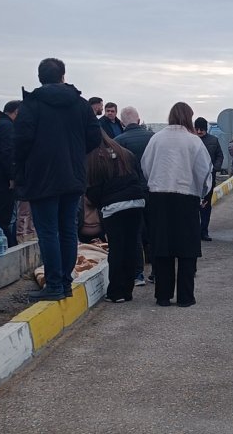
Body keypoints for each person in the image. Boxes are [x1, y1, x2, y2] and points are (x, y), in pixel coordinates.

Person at [15, 58, 102, 301]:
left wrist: (24, 167)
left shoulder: (32, 104)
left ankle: (53, 284)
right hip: (73, 176)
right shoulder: (81, 104)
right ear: (63, 76)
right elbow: (95, 137)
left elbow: (20, 142)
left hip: (42, 178)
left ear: (40, 77)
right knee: (67, 230)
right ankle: (64, 281)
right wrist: (74, 153)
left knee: (48, 232)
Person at [141, 102, 211, 307]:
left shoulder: (156, 138)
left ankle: (163, 295)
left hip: (159, 197)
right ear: (189, 117)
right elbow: (204, 170)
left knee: (162, 247)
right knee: (187, 249)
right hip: (186, 197)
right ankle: (185, 297)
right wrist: (201, 192)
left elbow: (146, 166)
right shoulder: (194, 142)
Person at [86, 132, 146, 302]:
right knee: (131, 246)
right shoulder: (124, 153)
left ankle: (115, 292)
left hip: (113, 207)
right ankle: (128, 291)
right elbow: (138, 177)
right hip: (136, 202)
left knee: (117, 248)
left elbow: (94, 189)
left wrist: (98, 203)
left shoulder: (93, 158)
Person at [114, 107, 154, 286]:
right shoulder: (153, 138)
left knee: (135, 233)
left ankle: (138, 274)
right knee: (155, 230)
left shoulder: (117, 142)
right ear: (139, 120)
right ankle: (157, 271)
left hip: (130, 193)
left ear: (122, 123)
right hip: (153, 190)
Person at [0, 100, 20, 247]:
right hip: (3, 178)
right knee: (6, 216)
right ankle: (7, 244)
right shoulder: (8, 126)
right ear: (16, 112)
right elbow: (7, 153)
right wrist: (12, 176)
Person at [193, 117, 223, 241]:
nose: (199, 132)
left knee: (205, 206)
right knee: (193, 207)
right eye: (197, 129)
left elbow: (219, 156)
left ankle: (204, 231)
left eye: (202, 129)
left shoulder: (213, 141)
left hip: (209, 179)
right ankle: (194, 231)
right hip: (193, 180)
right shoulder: (191, 140)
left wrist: (215, 168)